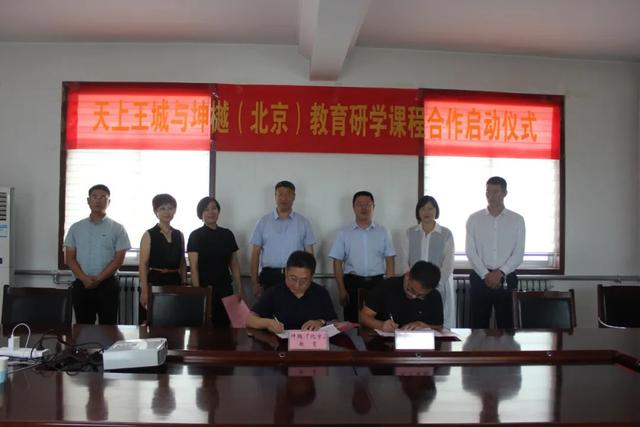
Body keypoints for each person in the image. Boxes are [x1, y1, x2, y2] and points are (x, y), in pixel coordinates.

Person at [64, 184, 131, 324]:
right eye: (94, 197)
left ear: (108, 202)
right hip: (81, 284)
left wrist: (98, 280)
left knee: (108, 327)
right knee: (83, 327)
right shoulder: (76, 228)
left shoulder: (118, 228)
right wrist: (85, 279)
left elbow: (118, 260)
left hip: (107, 285)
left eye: (102, 197)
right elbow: (70, 259)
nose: (98, 200)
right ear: (88, 201)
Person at [465, 176, 526, 329]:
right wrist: (486, 274)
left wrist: (500, 273)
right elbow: (470, 251)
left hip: (507, 278)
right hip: (480, 278)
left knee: (507, 327)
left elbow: (518, 253)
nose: (491, 196)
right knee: (478, 327)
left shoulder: (517, 220)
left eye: (495, 192)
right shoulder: (474, 219)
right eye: (488, 192)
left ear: (505, 193)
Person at [329, 191, 395, 323]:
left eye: (367, 204)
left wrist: (390, 288)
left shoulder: (383, 231)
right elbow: (337, 262)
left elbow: (390, 260)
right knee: (352, 323)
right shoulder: (344, 233)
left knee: (378, 322)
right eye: (359, 204)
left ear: (373, 207)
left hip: (377, 283)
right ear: (353, 207)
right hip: (352, 283)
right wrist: (341, 289)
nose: (364, 208)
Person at [249, 181, 316, 299]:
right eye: (280, 194)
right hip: (269, 277)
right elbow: (255, 254)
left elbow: (309, 254)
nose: (284, 198)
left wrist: (309, 280)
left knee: (295, 309)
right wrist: (254, 283)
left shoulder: (303, 223)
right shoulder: (263, 222)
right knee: (269, 310)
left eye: (288, 194)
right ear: (275, 196)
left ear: (294, 197)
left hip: (296, 277)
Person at [246, 251, 337, 333]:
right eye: (293, 278)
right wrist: (267, 323)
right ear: (286, 272)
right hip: (280, 344)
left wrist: (320, 322)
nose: (297, 285)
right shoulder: (274, 293)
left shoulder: (321, 293)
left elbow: (335, 323)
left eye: (303, 281)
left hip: (312, 344)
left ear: (311, 277)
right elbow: (249, 320)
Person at [187, 196, 243, 327]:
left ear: (218, 211)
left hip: (226, 288)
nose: (211, 212)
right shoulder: (195, 235)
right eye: (206, 209)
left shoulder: (227, 234)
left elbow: (234, 264)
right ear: (200, 214)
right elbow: (194, 267)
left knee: (227, 326)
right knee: (206, 328)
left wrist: (239, 288)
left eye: (214, 208)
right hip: (206, 289)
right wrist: (198, 293)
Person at [402, 195, 455, 329]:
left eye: (430, 208)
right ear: (418, 212)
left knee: (436, 324)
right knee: (413, 322)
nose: (427, 212)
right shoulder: (410, 233)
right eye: (423, 209)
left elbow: (448, 264)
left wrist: (434, 285)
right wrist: (411, 284)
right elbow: (404, 260)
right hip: (414, 288)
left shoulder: (446, 234)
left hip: (438, 287)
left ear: (436, 211)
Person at [138, 193, 187, 324]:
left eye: (170, 208)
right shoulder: (148, 234)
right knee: (153, 321)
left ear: (175, 210)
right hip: (155, 281)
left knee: (175, 320)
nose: (167, 212)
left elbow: (182, 262)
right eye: (162, 208)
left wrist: (184, 284)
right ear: (156, 211)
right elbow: (143, 264)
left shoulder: (179, 234)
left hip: (175, 281)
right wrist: (144, 291)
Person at [360, 261, 443, 331]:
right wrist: (380, 325)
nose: (414, 296)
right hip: (384, 342)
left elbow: (439, 326)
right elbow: (363, 316)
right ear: (407, 276)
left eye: (421, 295)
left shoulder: (434, 295)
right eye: (411, 290)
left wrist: (425, 326)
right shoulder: (387, 286)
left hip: (418, 343)